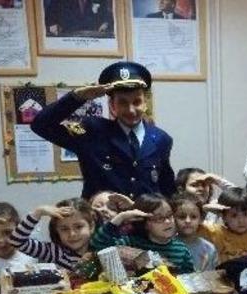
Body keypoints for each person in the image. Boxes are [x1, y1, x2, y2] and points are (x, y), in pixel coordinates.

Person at [31, 61, 175, 200]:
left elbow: (166, 188)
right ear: (112, 105)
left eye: (136, 102)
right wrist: (76, 97)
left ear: (145, 103)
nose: (131, 110)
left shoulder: (161, 139)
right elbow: (41, 125)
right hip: (102, 215)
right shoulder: (92, 131)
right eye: (123, 103)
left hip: (146, 216)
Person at [91, 194, 194, 273]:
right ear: (144, 223)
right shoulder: (130, 242)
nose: (167, 222)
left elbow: (189, 278)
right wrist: (121, 217)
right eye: (159, 218)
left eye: (169, 215)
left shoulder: (181, 249)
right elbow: (98, 246)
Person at [9, 198, 95, 270]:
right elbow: (16, 241)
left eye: (79, 227)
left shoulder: (99, 249)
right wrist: (38, 212)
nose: (72, 234)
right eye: (64, 229)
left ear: (91, 227)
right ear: (57, 231)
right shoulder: (56, 252)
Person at [199, 187, 247, 266]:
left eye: (246, 214)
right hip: (219, 273)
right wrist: (204, 209)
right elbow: (192, 225)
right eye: (234, 215)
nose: (241, 221)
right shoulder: (214, 232)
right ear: (224, 217)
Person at [171, 193, 217, 271]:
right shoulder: (167, 246)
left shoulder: (209, 249)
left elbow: (211, 275)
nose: (188, 221)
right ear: (173, 218)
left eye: (193, 217)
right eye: (182, 217)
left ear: (201, 219)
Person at [44, 0, 114, 37]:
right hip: (66, 37)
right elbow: (49, 17)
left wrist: (106, 23)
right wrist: (52, 25)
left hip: (93, 37)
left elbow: (108, 15)